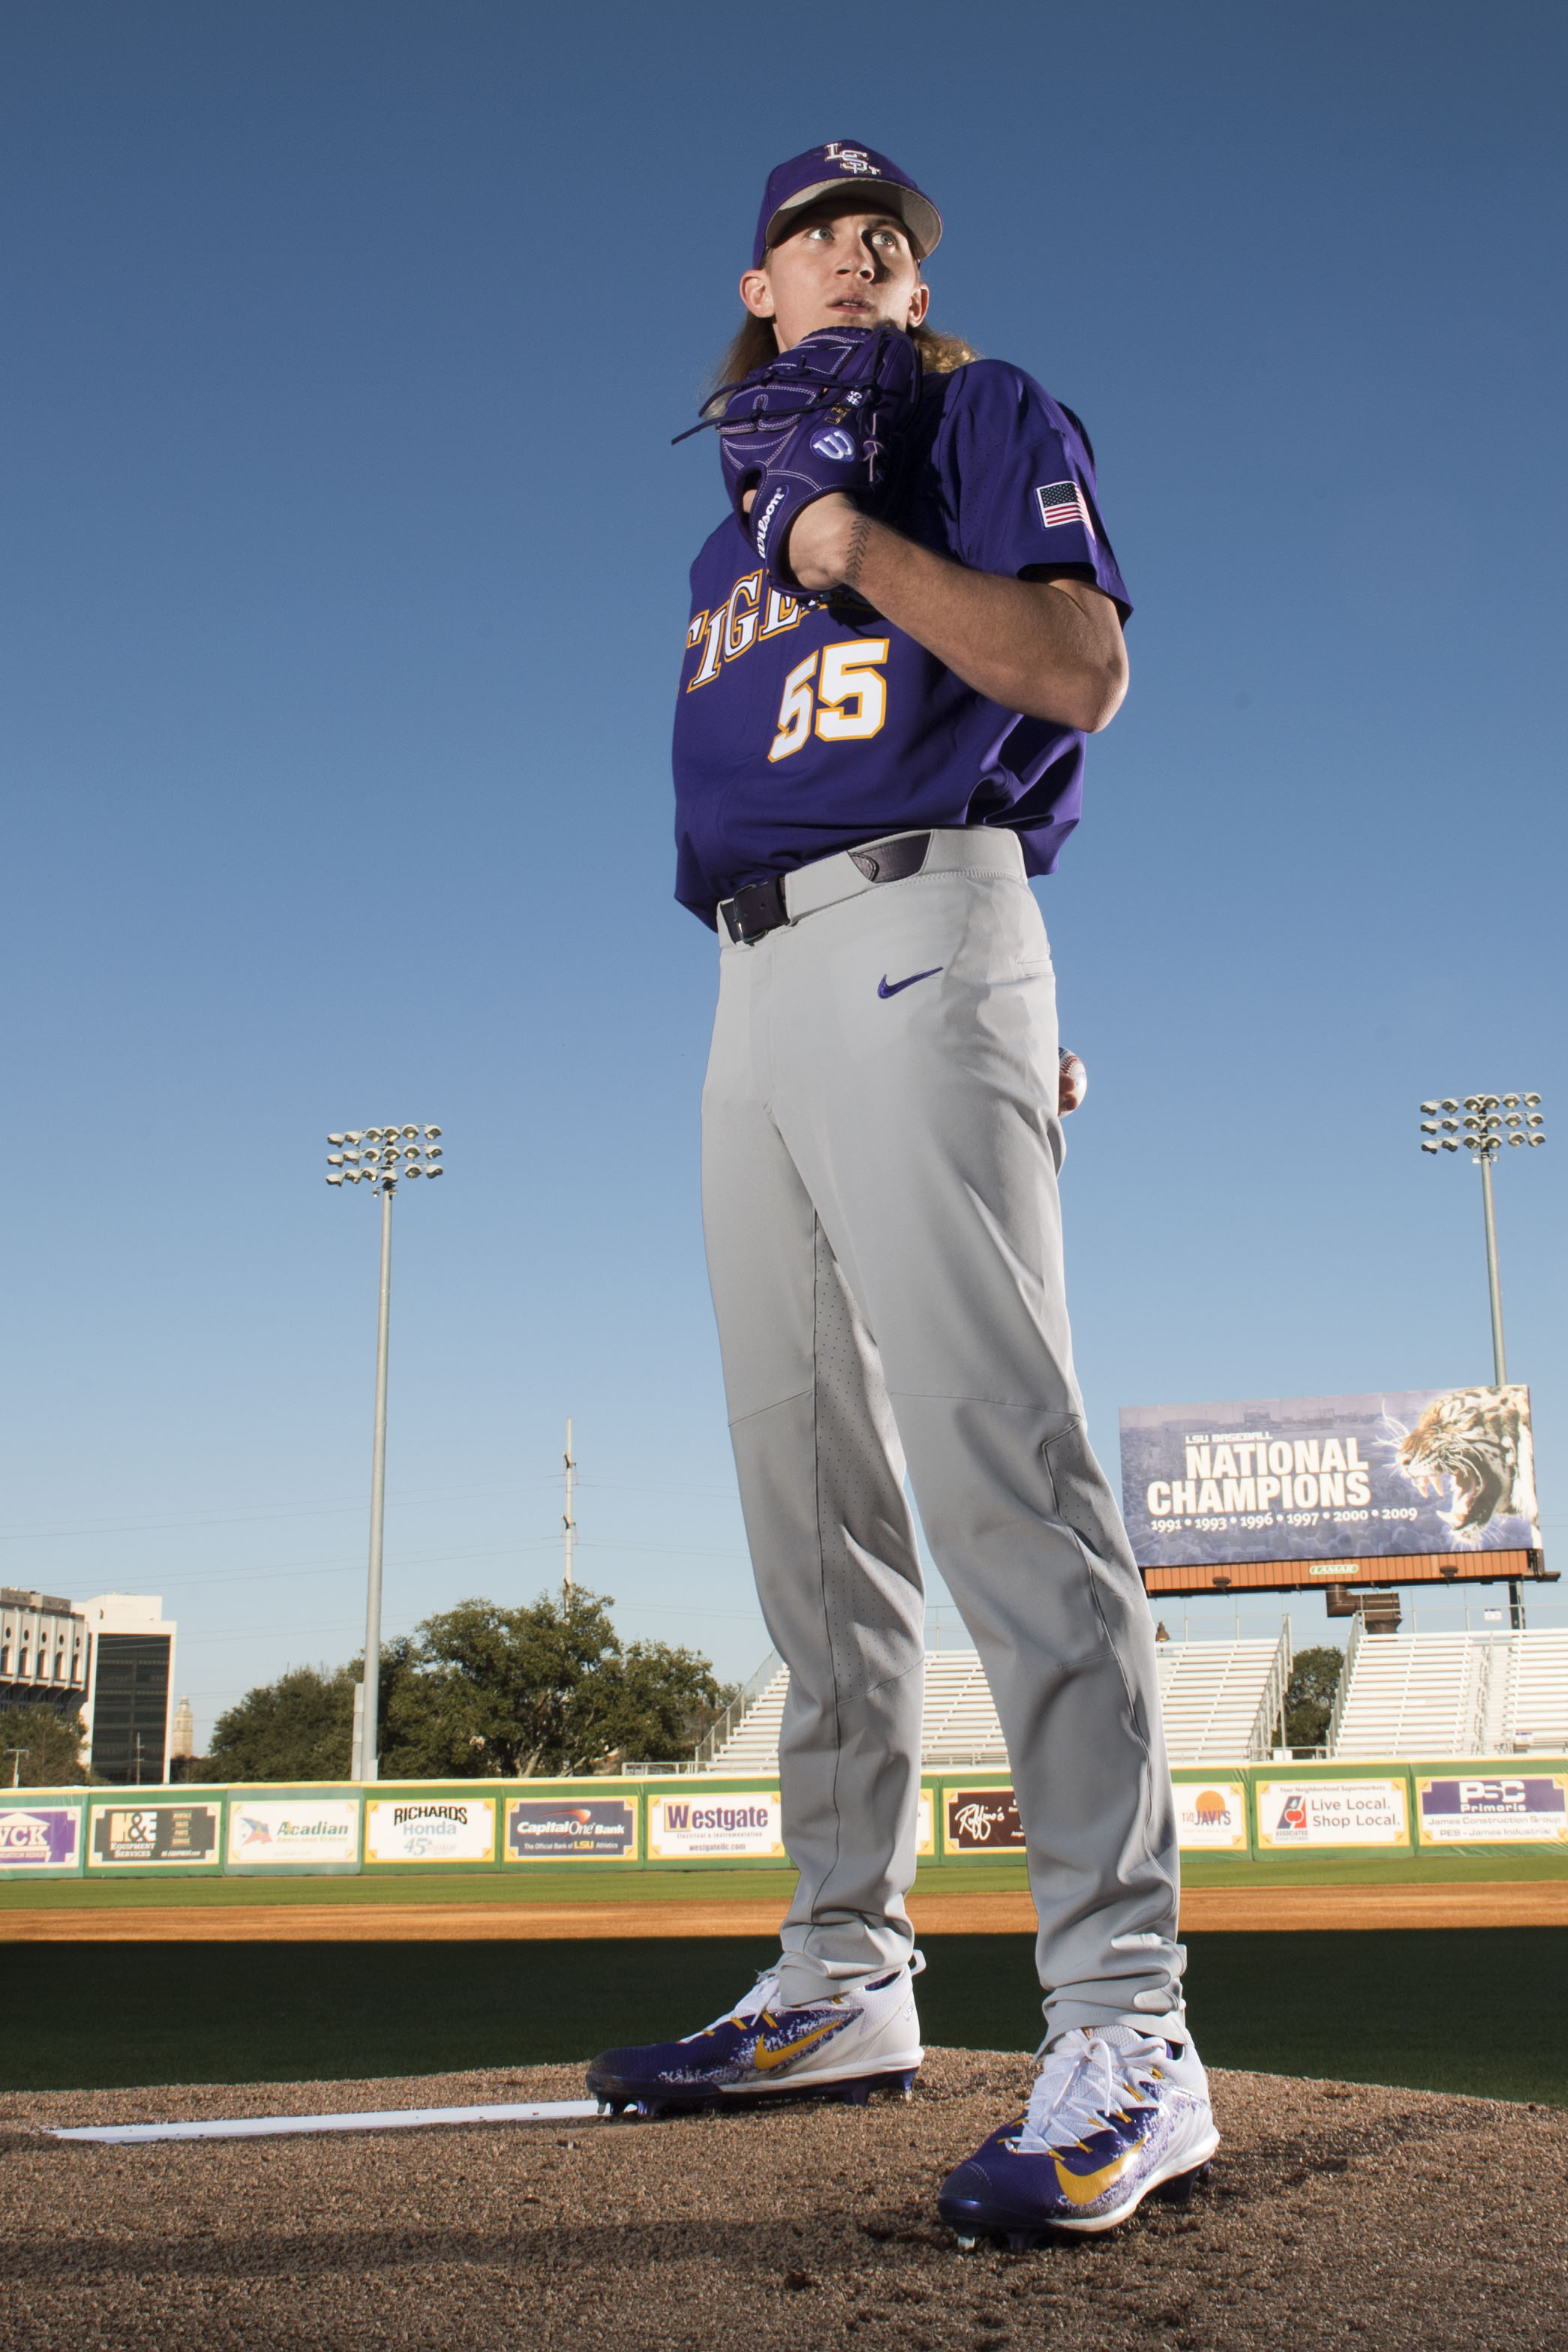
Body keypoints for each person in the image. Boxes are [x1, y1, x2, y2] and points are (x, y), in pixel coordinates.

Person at [588, 140, 1216, 2243]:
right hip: (747, 979)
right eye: (827, 233)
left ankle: (1128, 2020)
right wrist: (794, 533)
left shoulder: (974, 414)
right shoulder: (714, 547)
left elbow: (1070, 675)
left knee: (993, 1469)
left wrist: (853, 533)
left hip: (921, 923)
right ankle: (841, 1972)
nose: (871, 250)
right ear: (756, 289)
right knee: (804, 1489)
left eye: (898, 234)